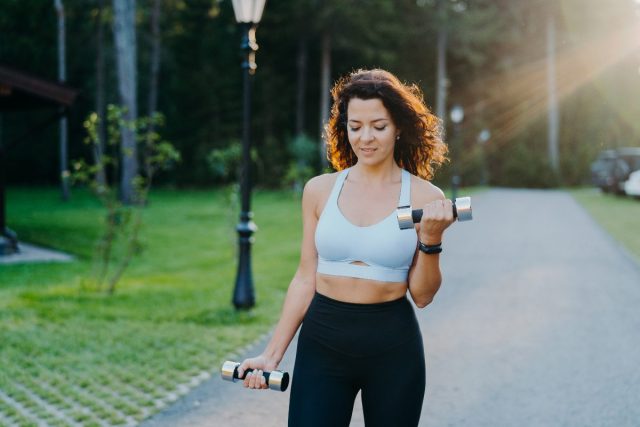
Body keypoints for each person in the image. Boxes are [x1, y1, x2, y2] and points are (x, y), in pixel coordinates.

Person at [238, 68, 453, 427]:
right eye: (355, 126)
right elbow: (305, 278)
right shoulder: (320, 190)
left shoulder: (424, 197)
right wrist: (271, 356)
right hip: (323, 341)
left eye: (378, 126)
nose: (365, 138)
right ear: (344, 127)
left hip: (392, 345)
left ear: (398, 126)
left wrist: (431, 240)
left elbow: (423, 295)